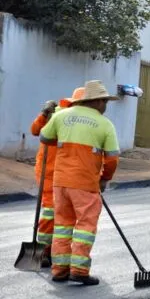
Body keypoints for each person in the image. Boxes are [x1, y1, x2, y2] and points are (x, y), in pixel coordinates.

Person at [39, 80, 121, 285]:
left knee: (62, 225)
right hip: (85, 183)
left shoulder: (61, 116)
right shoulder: (105, 124)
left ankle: (59, 270)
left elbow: (44, 138)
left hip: (60, 182)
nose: (106, 105)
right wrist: (104, 179)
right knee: (85, 227)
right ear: (97, 101)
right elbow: (112, 159)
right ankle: (79, 271)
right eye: (105, 101)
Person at [28, 88, 84, 267]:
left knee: (64, 215)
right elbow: (36, 130)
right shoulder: (57, 115)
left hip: (66, 173)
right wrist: (44, 115)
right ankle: (44, 251)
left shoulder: (83, 121)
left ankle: (55, 250)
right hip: (49, 172)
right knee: (51, 212)